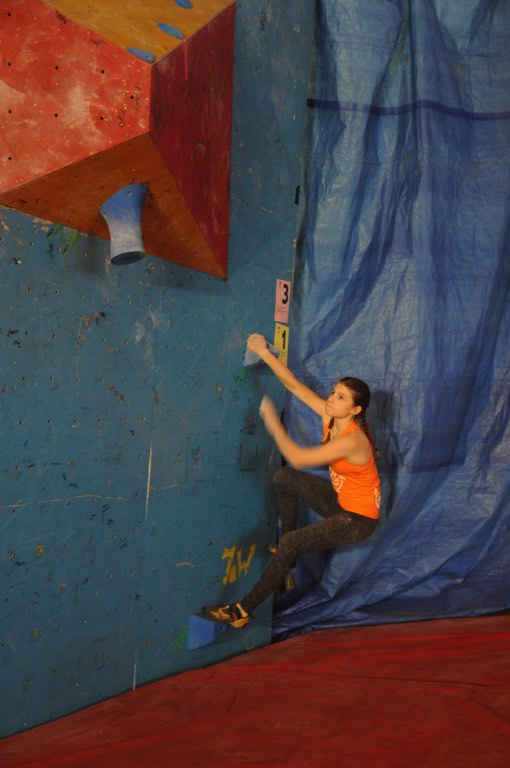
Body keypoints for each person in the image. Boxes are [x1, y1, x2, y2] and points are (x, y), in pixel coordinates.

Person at [199, 333, 381, 629]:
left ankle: (240, 612)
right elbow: (294, 385)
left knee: (292, 541)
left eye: (341, 398)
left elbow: (297, 457)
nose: (332, 399)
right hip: (342, 503)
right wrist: (263, 352)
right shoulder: (331, 417)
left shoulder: (353, 441)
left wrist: (273, 425)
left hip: (357, 520)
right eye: (333, 392)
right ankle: (288, 557)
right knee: (284, 478)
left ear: (355, 410)